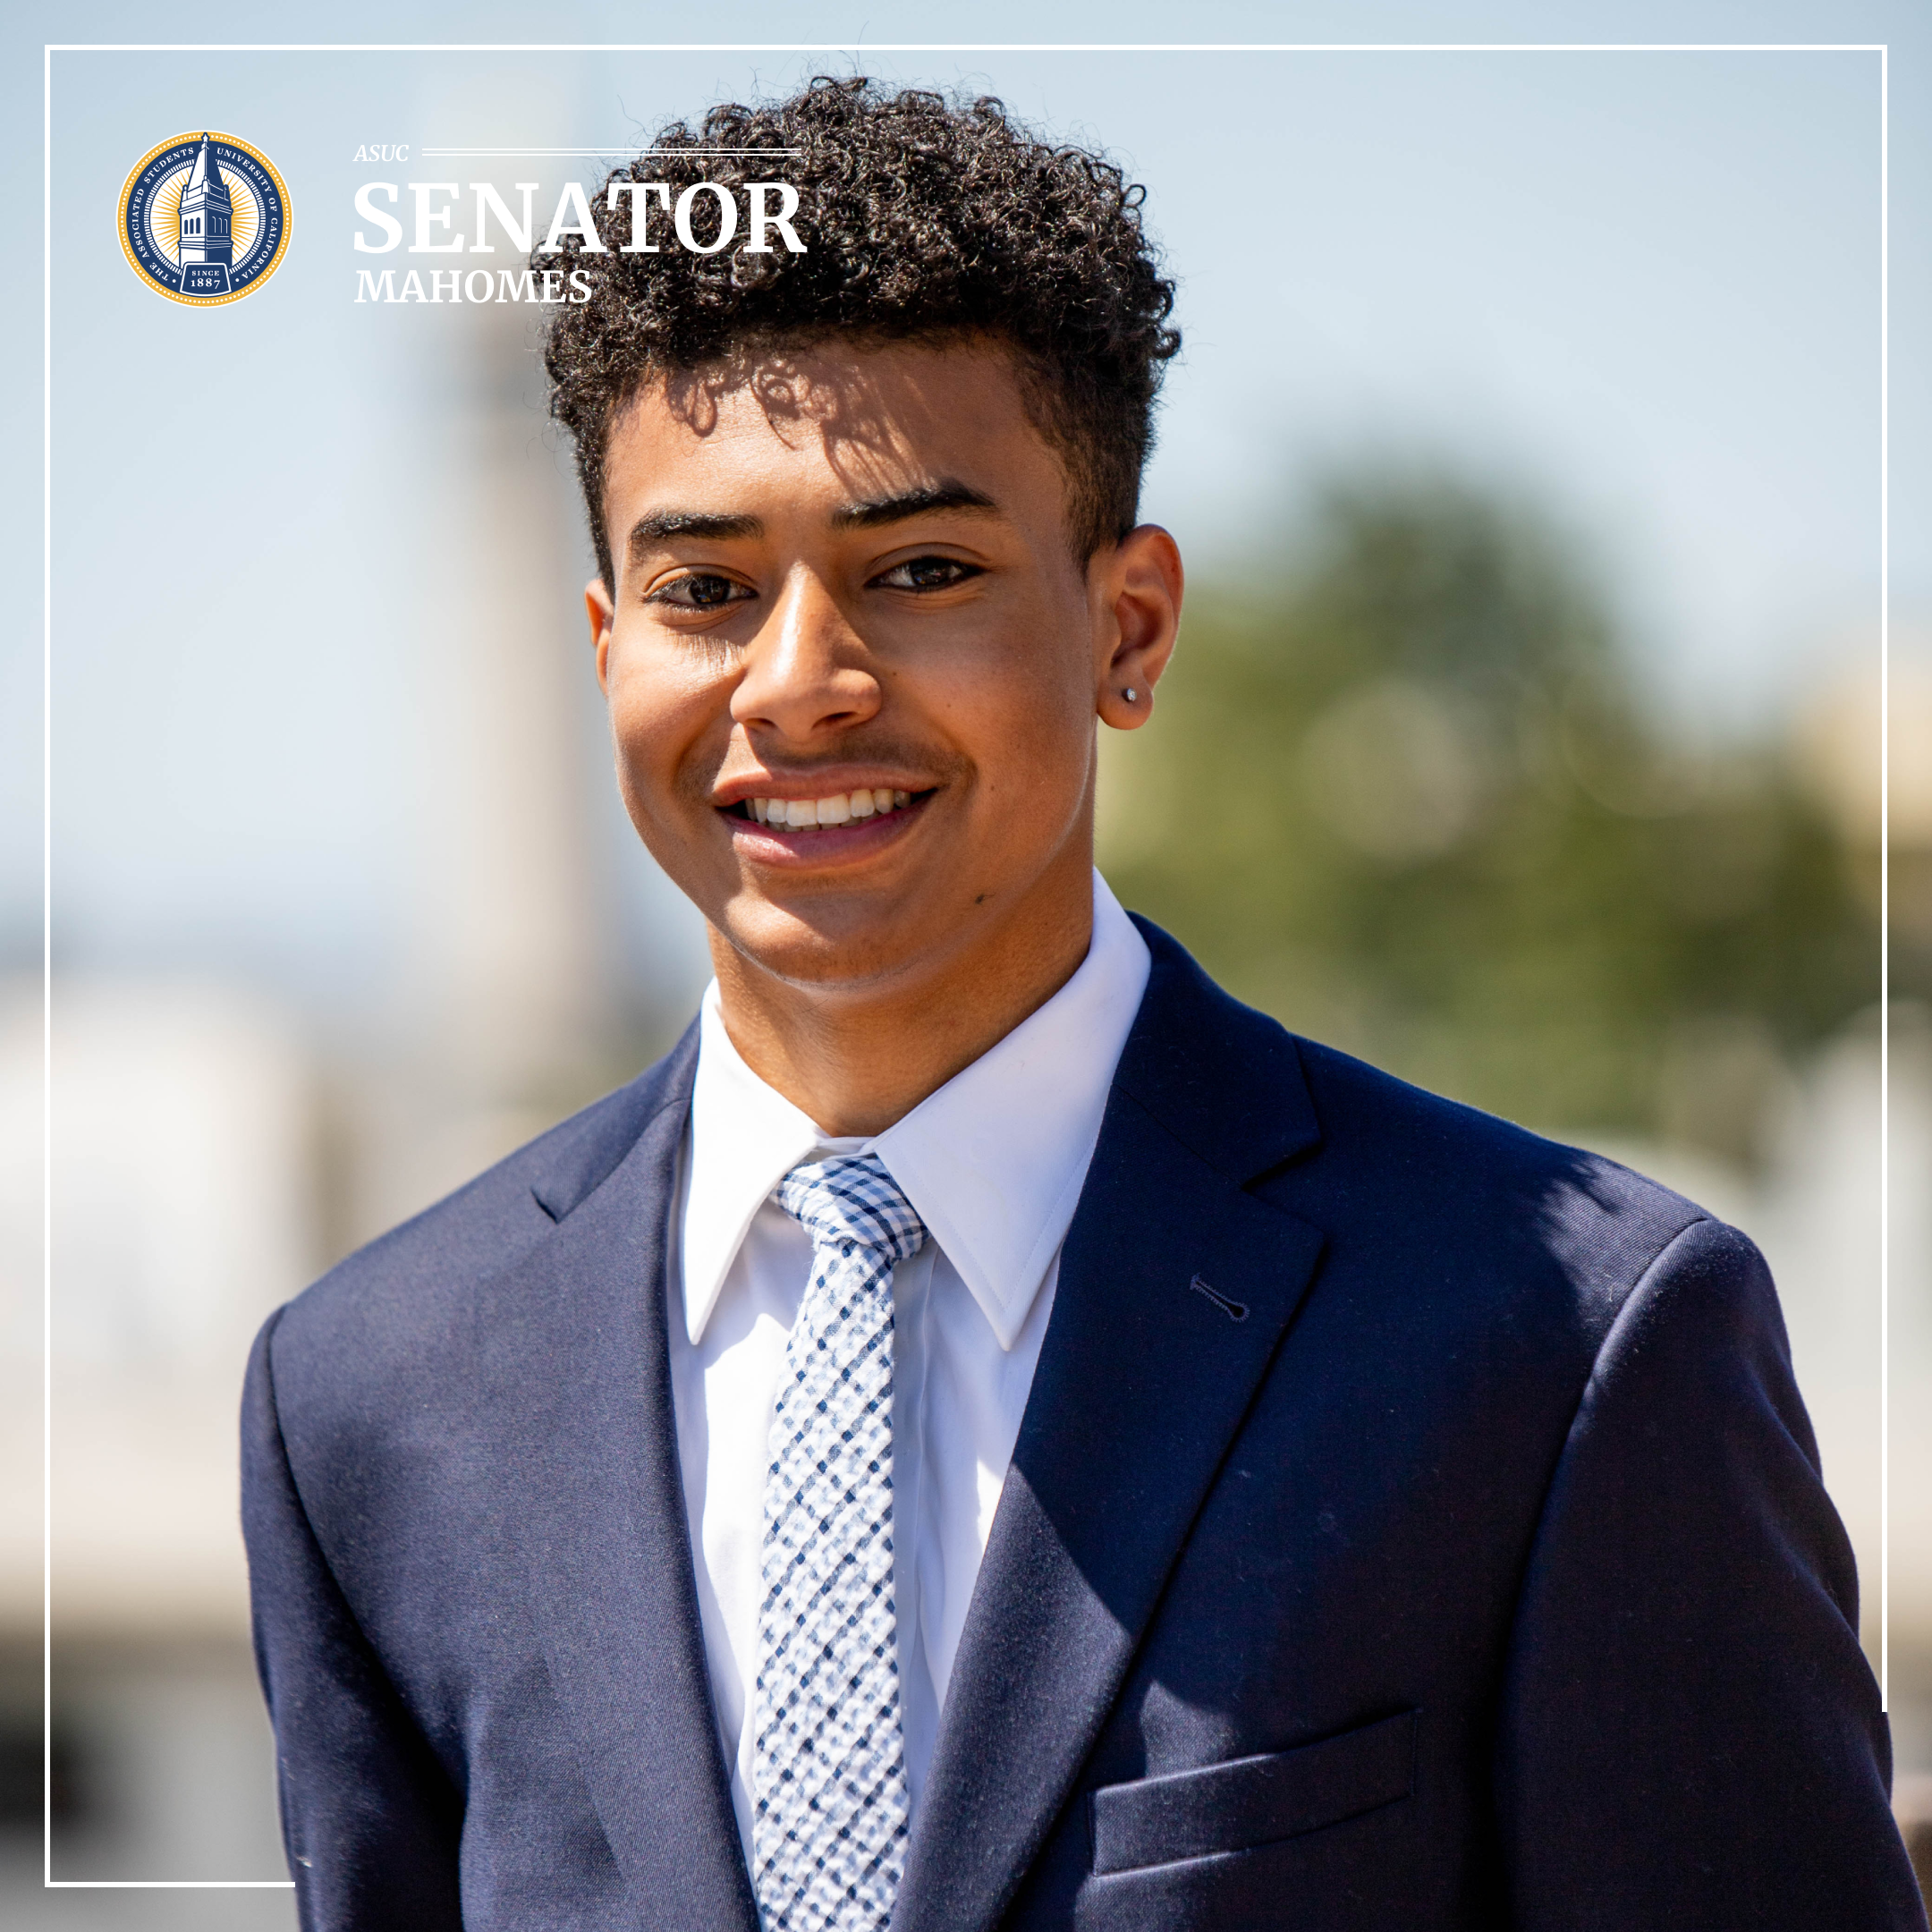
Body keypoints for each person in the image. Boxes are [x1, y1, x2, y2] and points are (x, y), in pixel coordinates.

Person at [241, 76, 1924, 1932]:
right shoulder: (370, 1405)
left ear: (1126, 629)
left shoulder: (1563, 1348)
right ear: (606, 647)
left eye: (923, 571)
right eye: (705, 587)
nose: (796, 684)